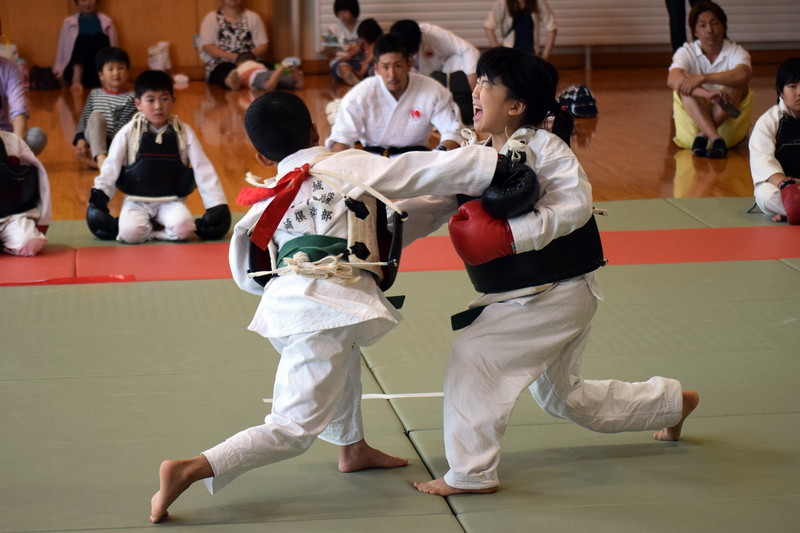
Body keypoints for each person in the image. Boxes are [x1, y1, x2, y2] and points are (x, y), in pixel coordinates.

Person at [148, 90, 527, 523]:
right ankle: (190, 469)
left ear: (262, 155)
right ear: (315, 129)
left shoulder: (265, 195)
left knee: (345, 355)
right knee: (292, 428)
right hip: (319, 309)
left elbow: (246, 271)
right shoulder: (350, 164)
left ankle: (353, 449)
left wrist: (448, 200)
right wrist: (488, 161)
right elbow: (418, 170)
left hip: (290, 305)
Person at [411, 47, 700, 497]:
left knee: (473, 354)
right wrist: (385, 235)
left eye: (488, 82)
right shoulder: (479, 152)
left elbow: (575, 206)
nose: (477, 89)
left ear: (516, 106)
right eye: (478, 80)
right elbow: (433, 202)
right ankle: (670, 404)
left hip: (555, 291)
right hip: (534, 292)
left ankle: (472, 473)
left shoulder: (545, 149)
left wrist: (512, 237)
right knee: (562, 397)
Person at [87, 70, 230, 244]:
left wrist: (217, 204)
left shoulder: (183, 133)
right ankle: (148, 227)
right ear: (138, 104)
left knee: (184, 228)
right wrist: (99, 199)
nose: (158, 106)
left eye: (164, 99)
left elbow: (203, 169)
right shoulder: (128, 132)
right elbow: (111, 167)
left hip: (171, 201)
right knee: (129, 234)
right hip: (136, 201)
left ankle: (154, 232)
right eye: (150, 100)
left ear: (173, 101)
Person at [326, 33, 463, 155]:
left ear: (409, 63)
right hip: (373, 160)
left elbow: (454, 132)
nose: (392, 75)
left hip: (418, 160)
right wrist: (338, 167)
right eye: (385, 67)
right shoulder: (360, 94)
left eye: (397, 66)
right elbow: (341, 137)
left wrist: (438, 156)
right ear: (377, 68)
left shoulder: (434, 91)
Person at [667, 1, 752, 158]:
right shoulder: (686, 51)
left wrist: (702, 78)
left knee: (736, 84)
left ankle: (703, 136)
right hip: (692, 122)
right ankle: (715, 138)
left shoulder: (736, 51)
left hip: (728, 122)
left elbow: (744, 74)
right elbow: (673, 79)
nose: (709, 30)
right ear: (694, 30)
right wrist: (705, 93)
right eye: (702, 25)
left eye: (714, 23)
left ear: (723, 26)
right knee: (686, 89)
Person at [389, 20, 479, 124]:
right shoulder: (391, 50)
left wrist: (474, 82)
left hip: (445, 80)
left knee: (459, 60)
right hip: (422, 93)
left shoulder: (431, 33)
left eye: (413, 51)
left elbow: (469, 50)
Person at [749, 57, 800, 223]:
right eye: (793, 86)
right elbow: (762, 159)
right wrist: (785, 185)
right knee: (765, 195)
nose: (799, 92)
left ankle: (793, 209)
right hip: (781, 185)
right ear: (780, 91)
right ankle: (791, 206)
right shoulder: (769, 121)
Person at [73, 47, 136, 169]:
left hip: (118, 143)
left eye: (120, 68)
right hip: (97, 142)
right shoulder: (95, 94)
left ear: (128, 72)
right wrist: (81, 142)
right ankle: (102, 159)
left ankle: (99, 164)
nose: (116, 73)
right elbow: (84, 120)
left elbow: (124, 127)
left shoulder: (132, 98)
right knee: (96, 117)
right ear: (101, 75)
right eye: (110, 69)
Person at [0, 127, 50, 256]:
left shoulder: (13, 142)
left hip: (12, 217)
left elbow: (39, 179)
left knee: (30, 242)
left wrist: (44, 220)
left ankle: (6, 241)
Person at [198, 0, 269, 89]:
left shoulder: (253, 17)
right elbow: (207, 46)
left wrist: (247, 57)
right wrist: (234, 57)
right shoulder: (211, 18)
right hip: (222, 61)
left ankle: (270, 80)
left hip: (250, 60)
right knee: (223, 69)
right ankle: (232, 81)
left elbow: (263, 45)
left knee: (264, 66)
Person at [54, 0, 118, 91]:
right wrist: (58, 72)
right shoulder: (69, 22)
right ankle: (77, 79)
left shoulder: (107, 22)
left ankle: (105, 81)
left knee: (100, 37)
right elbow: (62, 49)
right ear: (77, 2)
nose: (87, 3)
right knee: (83, 38)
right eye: (83, 0)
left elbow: (114, 50)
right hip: (74, 72)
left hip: (99, 73)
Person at [484, 0, 558, 60]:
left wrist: (545, 56)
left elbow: (552, 27)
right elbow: (489, 27)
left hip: (532, 55)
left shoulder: (538, 2)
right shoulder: (503, 3)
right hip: (509, 56)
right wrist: (498, 53)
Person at [331, 18, 383, 86]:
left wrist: (365, 65)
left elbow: (370, 60)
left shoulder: (378, 44)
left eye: (363, 38)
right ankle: (351, 77)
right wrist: (350, 54)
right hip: (357, 64)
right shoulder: (361, 43)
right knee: (342, 66)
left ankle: (358, 80)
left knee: (374, 70)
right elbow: (350, 54)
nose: (362, 40)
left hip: (369, 67)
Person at [224, 52, 304, 92]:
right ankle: (293, 68)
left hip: (256, 77)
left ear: (238, 63)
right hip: (269, 74)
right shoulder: (257, 64)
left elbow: (232, 83)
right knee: (297, 85)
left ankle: (282, 66)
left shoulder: (240, 69)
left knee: (268, 86)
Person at [322, 0, 361, 81]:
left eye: (345, 12)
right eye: (340, 13)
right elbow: (330, 55)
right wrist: (328, 51)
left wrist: (358, 49)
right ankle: (352, 80)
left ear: (353, 10)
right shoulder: (333, 28)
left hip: (359, 61)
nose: (342, 16)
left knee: (370, 68)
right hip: (340, 62)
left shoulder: (362, 26)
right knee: (343, 67)